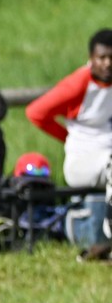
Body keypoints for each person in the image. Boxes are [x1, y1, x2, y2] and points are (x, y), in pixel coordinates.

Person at [26, 29, 112, 243]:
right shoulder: (78, 84)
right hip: (82, 162)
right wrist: (67, 138)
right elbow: (36, 113)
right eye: (102, 57)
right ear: (91, 58)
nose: (108, 63)